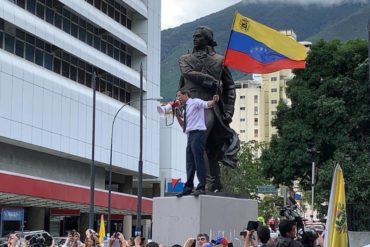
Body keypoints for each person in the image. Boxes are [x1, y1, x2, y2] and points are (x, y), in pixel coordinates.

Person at [178, 26, 239, 192]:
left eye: (198, 36)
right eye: (194, 36)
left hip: (209, 106)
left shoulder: (220, 60)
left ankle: (203, 183)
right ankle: (213, 182)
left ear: (207, 39)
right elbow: (185, 79)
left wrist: (228, 110)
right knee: (206, 147)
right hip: (191, 108)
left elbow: (230, 87)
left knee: (201, 143)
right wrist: (212, 81)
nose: (195, 39)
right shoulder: (185, 59)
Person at [175, 89, 219, 197]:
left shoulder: (195, 102)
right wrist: (177, 115)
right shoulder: (185, 109)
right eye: (177, 96)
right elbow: (183, 126)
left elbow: (207, 104)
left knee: (198, 160)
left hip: (198, 134)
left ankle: (201, 186)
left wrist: (214, 101)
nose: (178, 98)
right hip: (190, 135)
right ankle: (188, 187)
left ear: (186, 95)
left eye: (179, 95)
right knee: (189, 162)